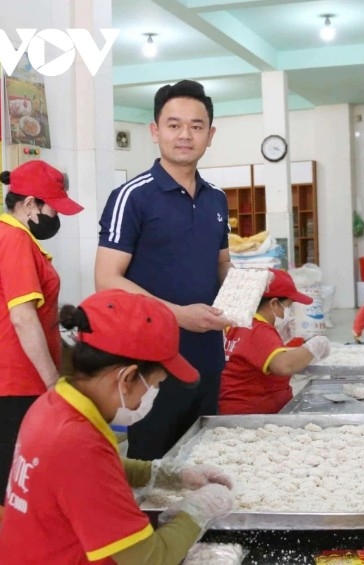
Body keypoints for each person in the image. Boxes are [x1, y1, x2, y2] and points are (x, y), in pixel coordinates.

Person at [0, 289, 235, 564]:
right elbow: (149, 559)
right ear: (127, 379)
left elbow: (101, 469)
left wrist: (169, 475)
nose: (153, 394)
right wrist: (198, 510)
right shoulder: (77, 444)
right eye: (155, 384)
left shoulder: (53, 404)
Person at [95, 80, 231, 460]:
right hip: (150, 366)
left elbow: (221, 263)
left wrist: (247, 289)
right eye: (174, 125)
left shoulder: (216, 198)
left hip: (208, 357)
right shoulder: (132, 197)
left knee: (203, 459)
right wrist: (179, 316)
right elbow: (106, 279)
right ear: (155, 131)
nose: (185, 135)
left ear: (210, 135)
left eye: (196, 126)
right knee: (153, 467)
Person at [0, 160, 83, 504]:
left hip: (1, 377)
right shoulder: (15, 241)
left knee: (19, 474)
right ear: (30, 204)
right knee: (21, 482)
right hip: (16, 380)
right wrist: (52, 381)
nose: (56, 217)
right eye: (53, 208)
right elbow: (22, 318)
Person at [218, 269, 331, 414]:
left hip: (236, 409)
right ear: (274, 304)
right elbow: (283, 365)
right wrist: (315, 347)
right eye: (289, 306)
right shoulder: (259, 330)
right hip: (251, 415)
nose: (290, 313)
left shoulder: (240, 324)